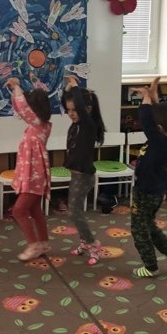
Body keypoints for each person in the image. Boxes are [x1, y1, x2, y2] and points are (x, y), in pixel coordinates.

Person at [130, 77, 167, 278]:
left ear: (157, 128)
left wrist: (146, 98)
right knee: (149, 226)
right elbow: (160, 118)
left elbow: (145, 118)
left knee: (139, 229)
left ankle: (151, 266)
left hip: (145, 192)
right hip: (154, 192)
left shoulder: (158, 141)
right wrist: (154, 98)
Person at [5, 77, 52, 261]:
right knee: (35, 211)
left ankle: (33, 245)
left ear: (35, 110)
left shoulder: (39, 125)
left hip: (34, 178)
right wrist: (15, 90)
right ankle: (43, 243)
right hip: (33, 177)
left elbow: (23, 108)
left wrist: (17, 86)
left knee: (18, 211)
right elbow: (21, 108)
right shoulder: (39, 125)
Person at [62, 75, 106, 265]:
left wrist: (75, 87)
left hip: (84, 176)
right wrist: (67, 90)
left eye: (75, 110)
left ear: (87, 110)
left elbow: (79, 107)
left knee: (74, 213)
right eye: (69, 110)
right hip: (76, 175)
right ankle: (84, 241)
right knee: (76, 211)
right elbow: (64, 102)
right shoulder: (76, 125)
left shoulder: (88, 126)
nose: (71, 113)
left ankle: (93, 243)